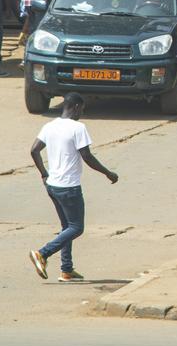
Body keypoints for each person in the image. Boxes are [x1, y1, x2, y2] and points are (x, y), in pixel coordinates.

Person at [28, 93, 119, 281]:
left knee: (66, 227)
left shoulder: (49, 126)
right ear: (76, 107)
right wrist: (108, 173)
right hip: (69, 187)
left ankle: (66, 269)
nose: (81, 113)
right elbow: (87, 156)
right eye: (82, 110)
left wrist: (44, 173)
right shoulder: (78, 128)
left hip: (52, 185)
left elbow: (34, 150)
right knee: (76, 227)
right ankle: (42, 254)